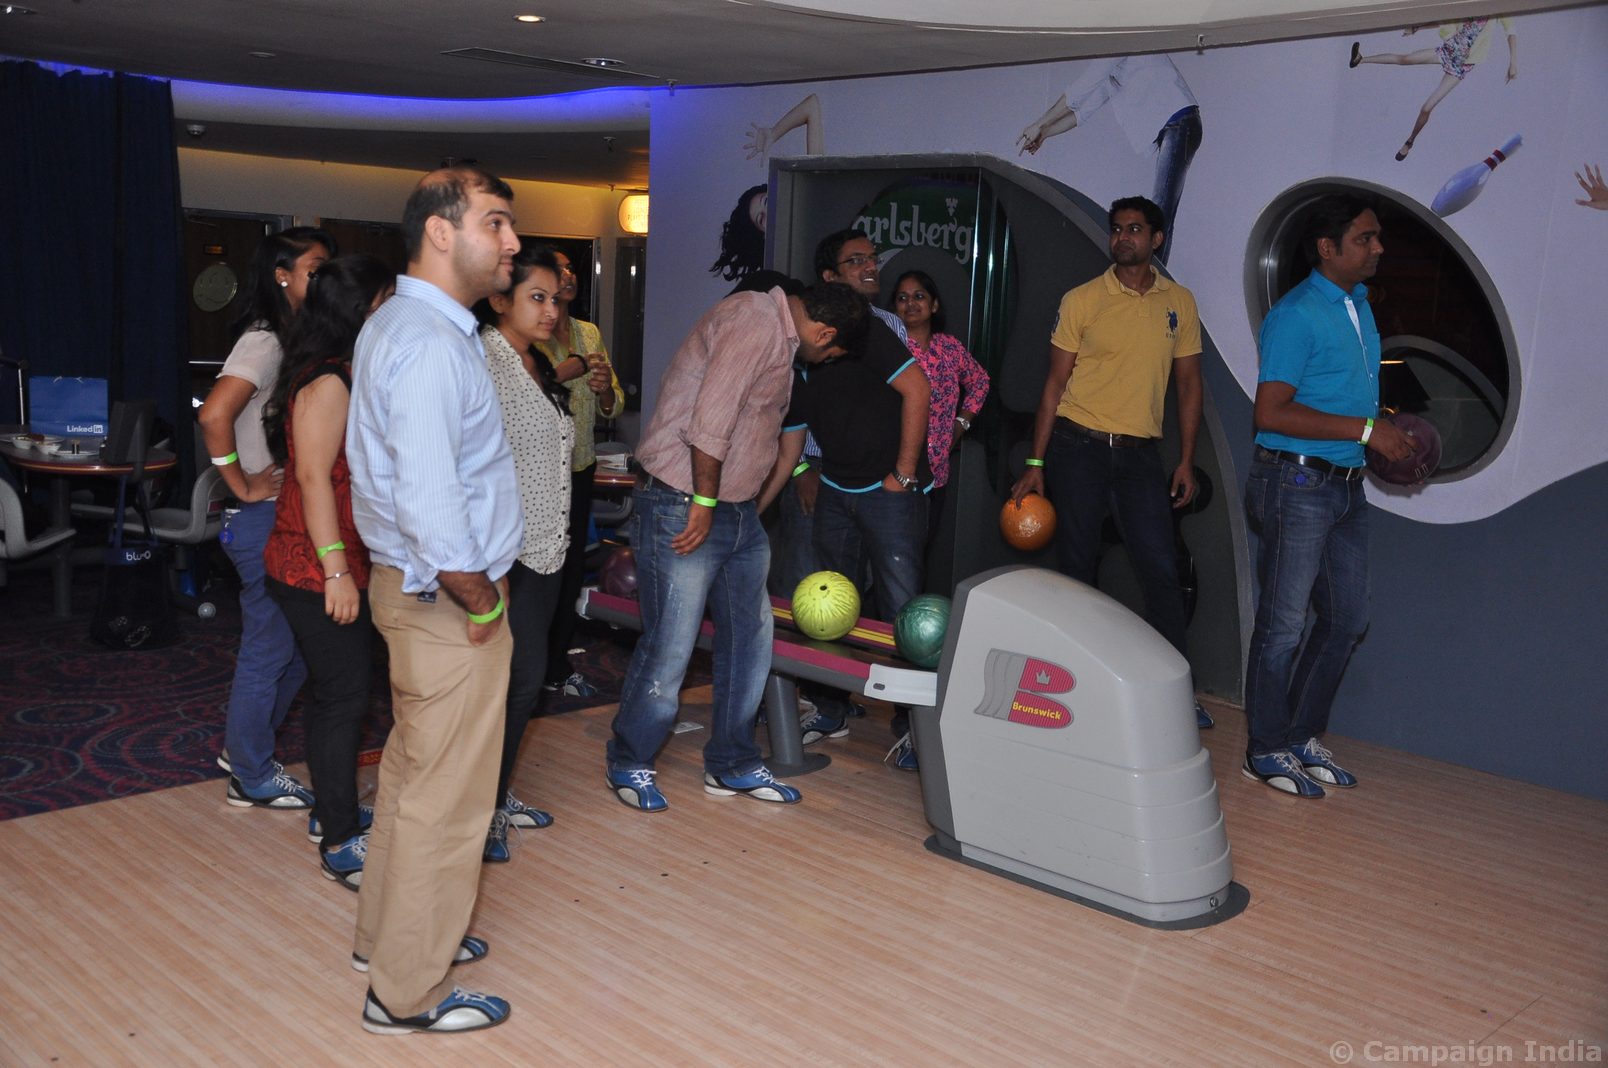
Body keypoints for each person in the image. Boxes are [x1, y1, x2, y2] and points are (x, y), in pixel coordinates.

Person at [345, 165, 523, 1035]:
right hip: (447, 602)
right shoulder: (427, 342)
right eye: (497, 223)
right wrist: (482, 601)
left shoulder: (407, 323)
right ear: (441, 232)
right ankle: (404, 994)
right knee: (449, 803)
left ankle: (385, 943)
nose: (513, 243)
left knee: (414, 781)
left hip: (414, 592)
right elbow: (429, 501)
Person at [605, 281, 867, 813]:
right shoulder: (755, 320)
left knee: (749, 643)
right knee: (671, 644)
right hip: (686, 502)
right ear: (825, 333)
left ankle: (732, 762)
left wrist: (747, 509)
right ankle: (629, 759)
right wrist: (705, 500)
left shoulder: (777, 334)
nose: (824, 361)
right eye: (832, 354)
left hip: (735, 511)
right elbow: (712, 418)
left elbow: (758, 431)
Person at [1008, 196, 1212, 729]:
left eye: (1135, 229)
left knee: (1161, 572)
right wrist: (1036, 461)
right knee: (1077, 571)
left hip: (1141, 455)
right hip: (1079, 447)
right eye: (1117, 229)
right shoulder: (1082, 299)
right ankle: (1074, 688)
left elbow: (1189, 385)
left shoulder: (1179, 302)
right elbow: (1054, 385)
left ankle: (1176, 695)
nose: (1123, 238)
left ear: (1156, 239)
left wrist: (1185, 460)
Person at [1242, 194, 1415, 799]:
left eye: (1377, 237)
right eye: (1365, 238)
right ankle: (1263, 749)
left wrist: (1381, 432)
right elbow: (1270, 412)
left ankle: (1297, 736)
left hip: (1344, 487)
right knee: (1283, 626)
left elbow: (1340, 395)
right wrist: (1367, 431)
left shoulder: (1357, 305)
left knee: (1346, 620)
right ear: (1327, 247)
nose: (1378, 248)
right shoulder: (1296, 314)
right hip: (1294, 484)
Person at [761, 229, 931, 769]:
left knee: (903, 612)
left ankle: (914, 728)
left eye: (871, 258)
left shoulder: (870, 330)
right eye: (855, 260)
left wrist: (903, 475)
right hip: (834, 488)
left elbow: (919, 390)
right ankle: (831, 709)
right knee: (829, 606)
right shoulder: (798, 352)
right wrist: (757, 506)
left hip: (887, 491)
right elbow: (792, 441)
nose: (870, 266)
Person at [260, 253, 396, 889]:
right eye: (385, 303)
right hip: (314, 566)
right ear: (359, 311)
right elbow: (314, 478)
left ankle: (330, 810)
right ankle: (340, 837)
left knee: (333, 695)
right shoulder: (330, 380)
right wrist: (336, 572)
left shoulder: (337, 370)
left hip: (325, 559)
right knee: (343, 697)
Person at [198, 225, 332, 809]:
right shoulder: (266, 339)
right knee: (271, 649)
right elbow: (213, 415)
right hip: (263, 519)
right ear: (282, 275)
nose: (324, 280)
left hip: (287, 517)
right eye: (315, 270)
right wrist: (241, 482)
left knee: (299, 649)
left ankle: (244, 752)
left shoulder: (298, 338)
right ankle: (248, 773)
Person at [475, 247, 575, 862]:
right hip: (503, 554)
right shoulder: (483, 361)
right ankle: (479, 810)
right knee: (510, 685)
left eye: (555, 298)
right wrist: (485, 564)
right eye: (536, 297)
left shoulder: (536, 362)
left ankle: (493, 796)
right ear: (499, 300)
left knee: (524, 682)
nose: (551, 310)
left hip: (546, 546)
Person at [533, 249, 624, 701]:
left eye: (570, 267)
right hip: (535, 475)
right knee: (536, 573)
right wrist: (559, 372)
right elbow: (513, 397)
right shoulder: (524, 333)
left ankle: (556, 666)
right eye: (557, 268)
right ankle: (526, 668)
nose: (568, 274)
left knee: (570, 572)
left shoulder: (588, 332)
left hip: (580, 466)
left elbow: (614, 403)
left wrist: (605, 393)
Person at [1017, 55, 1202, 264]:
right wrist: (1045, 133)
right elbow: (1082, 112)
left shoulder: (1119, 44)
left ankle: (1151, 277)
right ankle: (1154, 275)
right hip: (1179, 124)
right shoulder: (1115, 71)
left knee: (1161, 212)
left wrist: (1039, 124)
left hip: (1180, 121)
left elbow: (1080, 90)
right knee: (1163, 212)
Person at [890, 270, 990, 537]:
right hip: (892, 471)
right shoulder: (889, 347)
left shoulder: (949, 347)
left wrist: (961, 423)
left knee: (922, 547)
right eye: (902, 298)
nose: (910, 303)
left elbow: (980, 381)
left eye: (919, 296)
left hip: (936, 472)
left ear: (934, 305)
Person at [1349, 19, 1517, 161]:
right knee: (1405, 59)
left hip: (1461, 66)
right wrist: (1417, 27)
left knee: (1426, 108)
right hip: (1447, 51)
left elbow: (1511, 33)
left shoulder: (1498, 8)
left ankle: (1409, 141)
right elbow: (1446, 19)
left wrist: (1513, 63)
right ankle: (1361, 60)